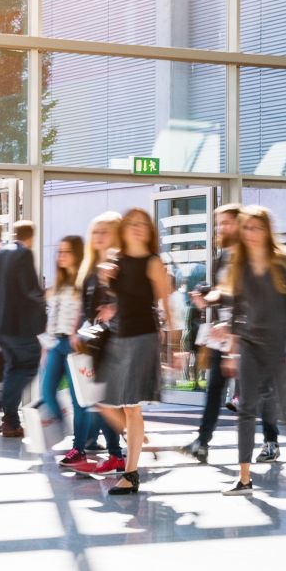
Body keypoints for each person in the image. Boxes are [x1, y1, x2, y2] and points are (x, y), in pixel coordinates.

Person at [218, 206, 286, 495]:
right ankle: (244, 477)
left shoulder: (283, 262)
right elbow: (236, 309)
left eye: (256, 228)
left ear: (267, 230)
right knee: (246, 410)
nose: (250, 234)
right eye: (246, 228)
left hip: (276, 345)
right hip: (249, 343)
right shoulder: (239, 263)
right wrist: (230, 348)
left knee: (285, 411)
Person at [181, 204, 277, 464]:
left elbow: (249, 298)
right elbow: (225, 292)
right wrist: (207, 298)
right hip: (222, 333)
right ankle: (202, 441)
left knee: (260, 389)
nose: (221, 228)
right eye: (218, 223)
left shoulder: (251, 258)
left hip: (248, 333)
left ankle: (271, 441)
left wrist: (232, 328)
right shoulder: (224, 256)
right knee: (214, 388)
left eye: (226, 223)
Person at [95, 208, 175, 496]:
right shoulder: (117, 260)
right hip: (120, 336)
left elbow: (165, 303)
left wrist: (172, 349)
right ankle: (137, 452)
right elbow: (120, 299)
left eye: (143, 224)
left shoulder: (152, 262)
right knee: (109, 402)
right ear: (125, 228)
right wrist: (107, 283)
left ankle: (131, 472)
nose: (138, 228)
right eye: (133, 224)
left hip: (143, 337)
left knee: (130, 406)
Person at [62, 214, 125, 475]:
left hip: (113, 343)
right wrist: (76, 332)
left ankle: (116, 453)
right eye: (95, 231)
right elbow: (85, 308)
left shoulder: (120, 267)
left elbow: (127, 305)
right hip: (90, 343)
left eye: (105, 231)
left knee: (103, 402)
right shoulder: (89, 269)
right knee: (87, 398)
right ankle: (85, 448)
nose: (98, 237)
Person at [0, 220, 45, 439]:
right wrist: (46, 296)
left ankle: (11, 423)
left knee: (13, 368)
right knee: (29, 364)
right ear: (31, 237)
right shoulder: (24, 254)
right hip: (17, 324)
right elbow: (30, 290)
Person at [36, 236, 84, 440]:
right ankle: (66, 430)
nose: (61, 256)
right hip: (57, 343)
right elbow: (52, 318)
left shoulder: (83, 283)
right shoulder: (59, 284)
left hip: (75, 345)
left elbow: (85, 314)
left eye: (67, 252)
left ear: (77, 255)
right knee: (46, 391)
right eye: (59, 252)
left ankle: (82, 442)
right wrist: (45, 347)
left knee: (78, 398)